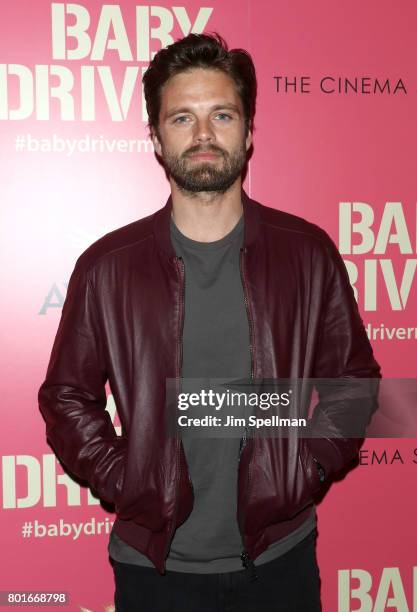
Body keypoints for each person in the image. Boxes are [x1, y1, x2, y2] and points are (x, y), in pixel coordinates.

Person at [38, 33, 381, 612]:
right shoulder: (107, 267)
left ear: (247, 133)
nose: (202, 135)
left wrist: (306, 467)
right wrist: (129, 480)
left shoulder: (307, 252)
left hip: (280, 561)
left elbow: (355, 382)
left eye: (221, 114)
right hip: (154, 572)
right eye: (182, 118)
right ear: (156, 137)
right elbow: (67, 397)